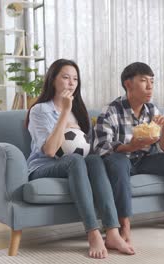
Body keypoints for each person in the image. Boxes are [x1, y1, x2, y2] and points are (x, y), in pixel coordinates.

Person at [26, 59, 134, 259]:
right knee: (76, 161)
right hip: (43, 166)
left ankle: (111, 231)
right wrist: (64, 113)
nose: (71, 83)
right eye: (65, 77)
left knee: (93, 160)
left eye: (75, 79)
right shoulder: (39, 110)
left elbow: (89, 150)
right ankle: (93, 233)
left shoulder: (80, 111)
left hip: (74, 164)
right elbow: (50, 151)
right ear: (52, 80)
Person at [93, 62, 164, 234]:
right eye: (144, 81)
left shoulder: (152, 109)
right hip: (121, 160)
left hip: (145, 159)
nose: (150, 86)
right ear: (128, 84)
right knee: (118, 161)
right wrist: (130, 146)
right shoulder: (110, 110)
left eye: (152, 81)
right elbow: (101, 148)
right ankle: (124, 224)